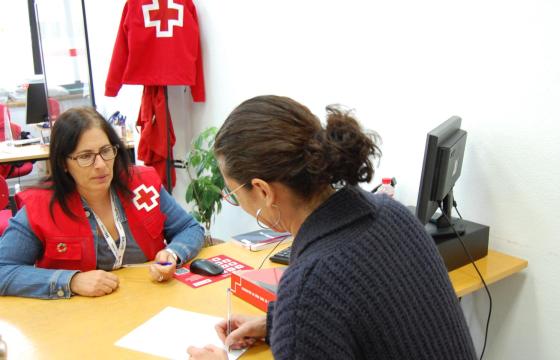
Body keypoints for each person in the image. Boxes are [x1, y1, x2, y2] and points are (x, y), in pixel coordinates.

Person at [187, 96, 476, 359]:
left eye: (233, 194)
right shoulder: (392, 214)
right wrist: (277, 323)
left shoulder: (308, 286)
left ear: (264, 191)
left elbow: (325, 302)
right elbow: (373, 315)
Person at [0, 107, 204, 299]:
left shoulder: (142, 185)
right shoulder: (41, 208)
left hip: (150, 305)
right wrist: (71, 281)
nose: (100, 165)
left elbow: (190, 228)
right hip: (81, 323)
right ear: (63, 162)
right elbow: (3, 270)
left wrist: (172, 253)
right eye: (85, 156)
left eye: (106, 151)